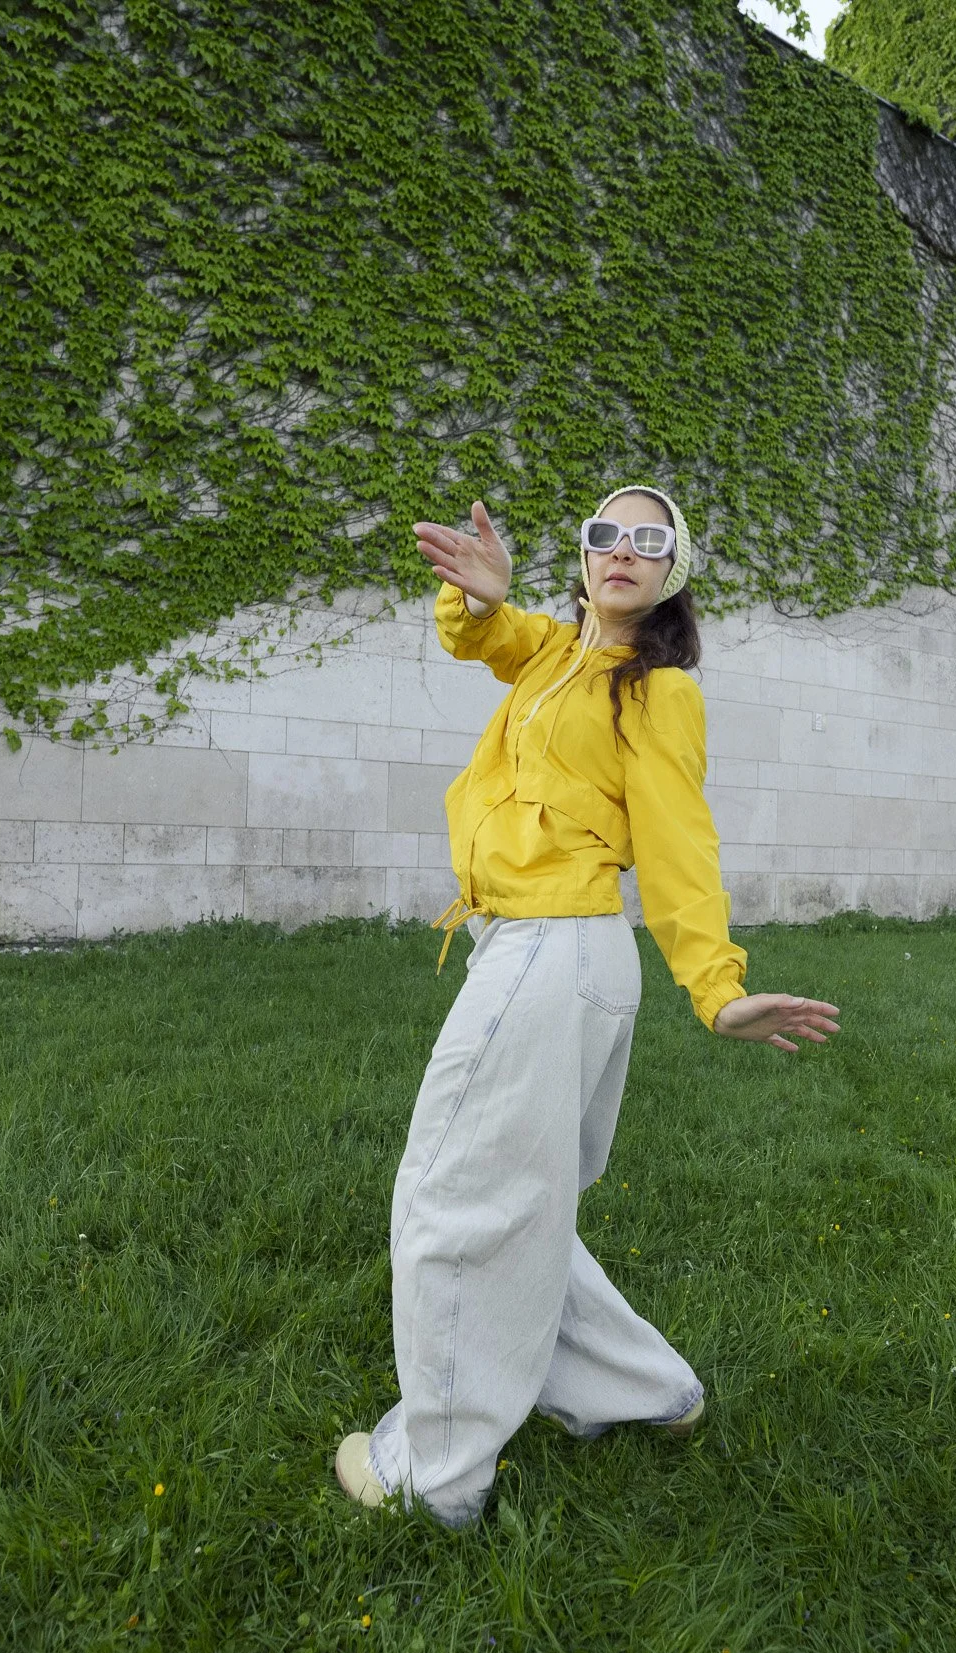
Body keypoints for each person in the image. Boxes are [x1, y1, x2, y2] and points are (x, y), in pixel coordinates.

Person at [332, 485, 841, 1526]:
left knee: (450, 1195)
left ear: (673, 570)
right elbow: (490, 636)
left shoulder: (656, 692)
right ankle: (648, 1391)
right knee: (522, 1195)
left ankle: (435, 1473)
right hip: (536, 951)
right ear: (584, 555)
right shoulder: (558, 653)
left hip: (559, 950)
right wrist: (478, 599)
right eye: (606, 532)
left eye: (649, 540)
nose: (623, 549)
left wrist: (719, 986)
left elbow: (678, 842)